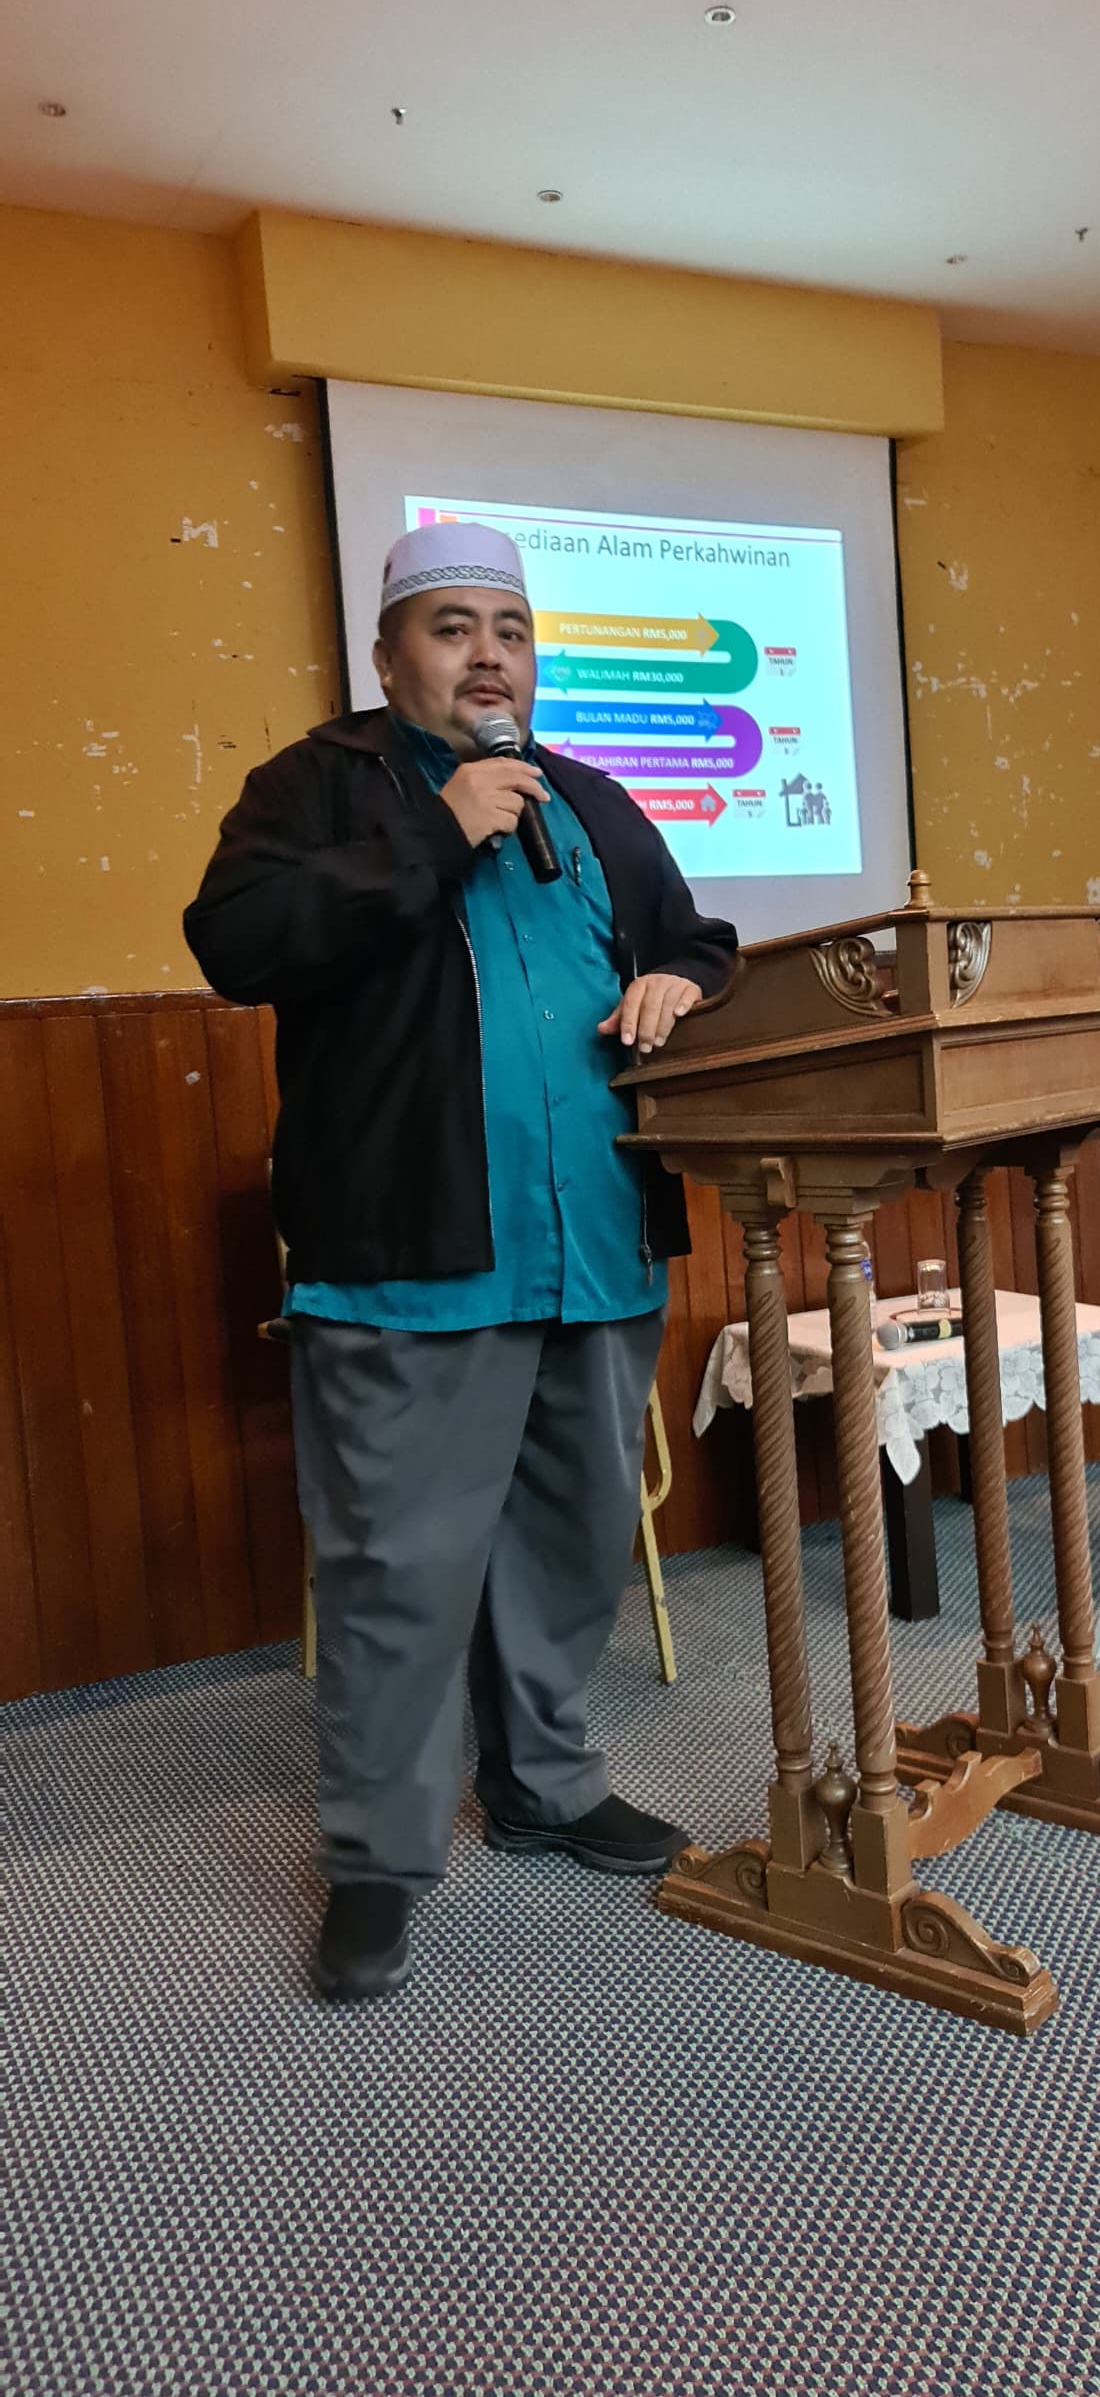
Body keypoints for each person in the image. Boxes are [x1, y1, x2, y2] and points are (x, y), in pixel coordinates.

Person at [184, 521, 738, 2002]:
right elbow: (236, 943)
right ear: (388, 657)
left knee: (570, 1545)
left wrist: (680, 977)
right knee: (399, 1568)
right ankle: (380, 1857)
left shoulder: (592, 797)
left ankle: (547, 1786)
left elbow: (698, 939)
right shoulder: (316, 787)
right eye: (451, 627)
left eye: (511, 628)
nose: (489, 655)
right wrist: (439, 833)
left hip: (595, 1245)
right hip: (411, 1254)